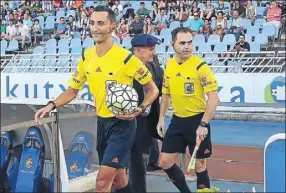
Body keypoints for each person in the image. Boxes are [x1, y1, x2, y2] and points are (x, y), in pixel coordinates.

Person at [34, 6, 159, 193]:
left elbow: (152, 89)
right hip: (102, 123)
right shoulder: (87, 57)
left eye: (101, 23)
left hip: (123, 126)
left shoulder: (126, 58)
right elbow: (71, 91)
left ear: (113, 26)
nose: (95, 28)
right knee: (118, 181)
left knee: (101, 183)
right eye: (92, 23)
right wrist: (51, 105)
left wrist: (140, 108)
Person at [156, 27, 219, 192]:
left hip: (197, 121)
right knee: (164, 162)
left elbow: (214, 97)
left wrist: (204, 124)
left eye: (190, 42)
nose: (187, 46)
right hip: (177, 121)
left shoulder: (201, 67)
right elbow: (166, 94)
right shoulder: (169, 65)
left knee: (199, 165)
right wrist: (161, 118)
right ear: (173, 44)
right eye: (182, 43)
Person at [128, 34, 164, 193]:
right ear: (138, 50)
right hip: (124, 121)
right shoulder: (124, 66)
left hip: (145, 123)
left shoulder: (155, 67)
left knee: (138, 163)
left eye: (154, 49)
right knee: (119, 162)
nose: (154, 53)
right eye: (150, 49)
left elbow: (165, 89)